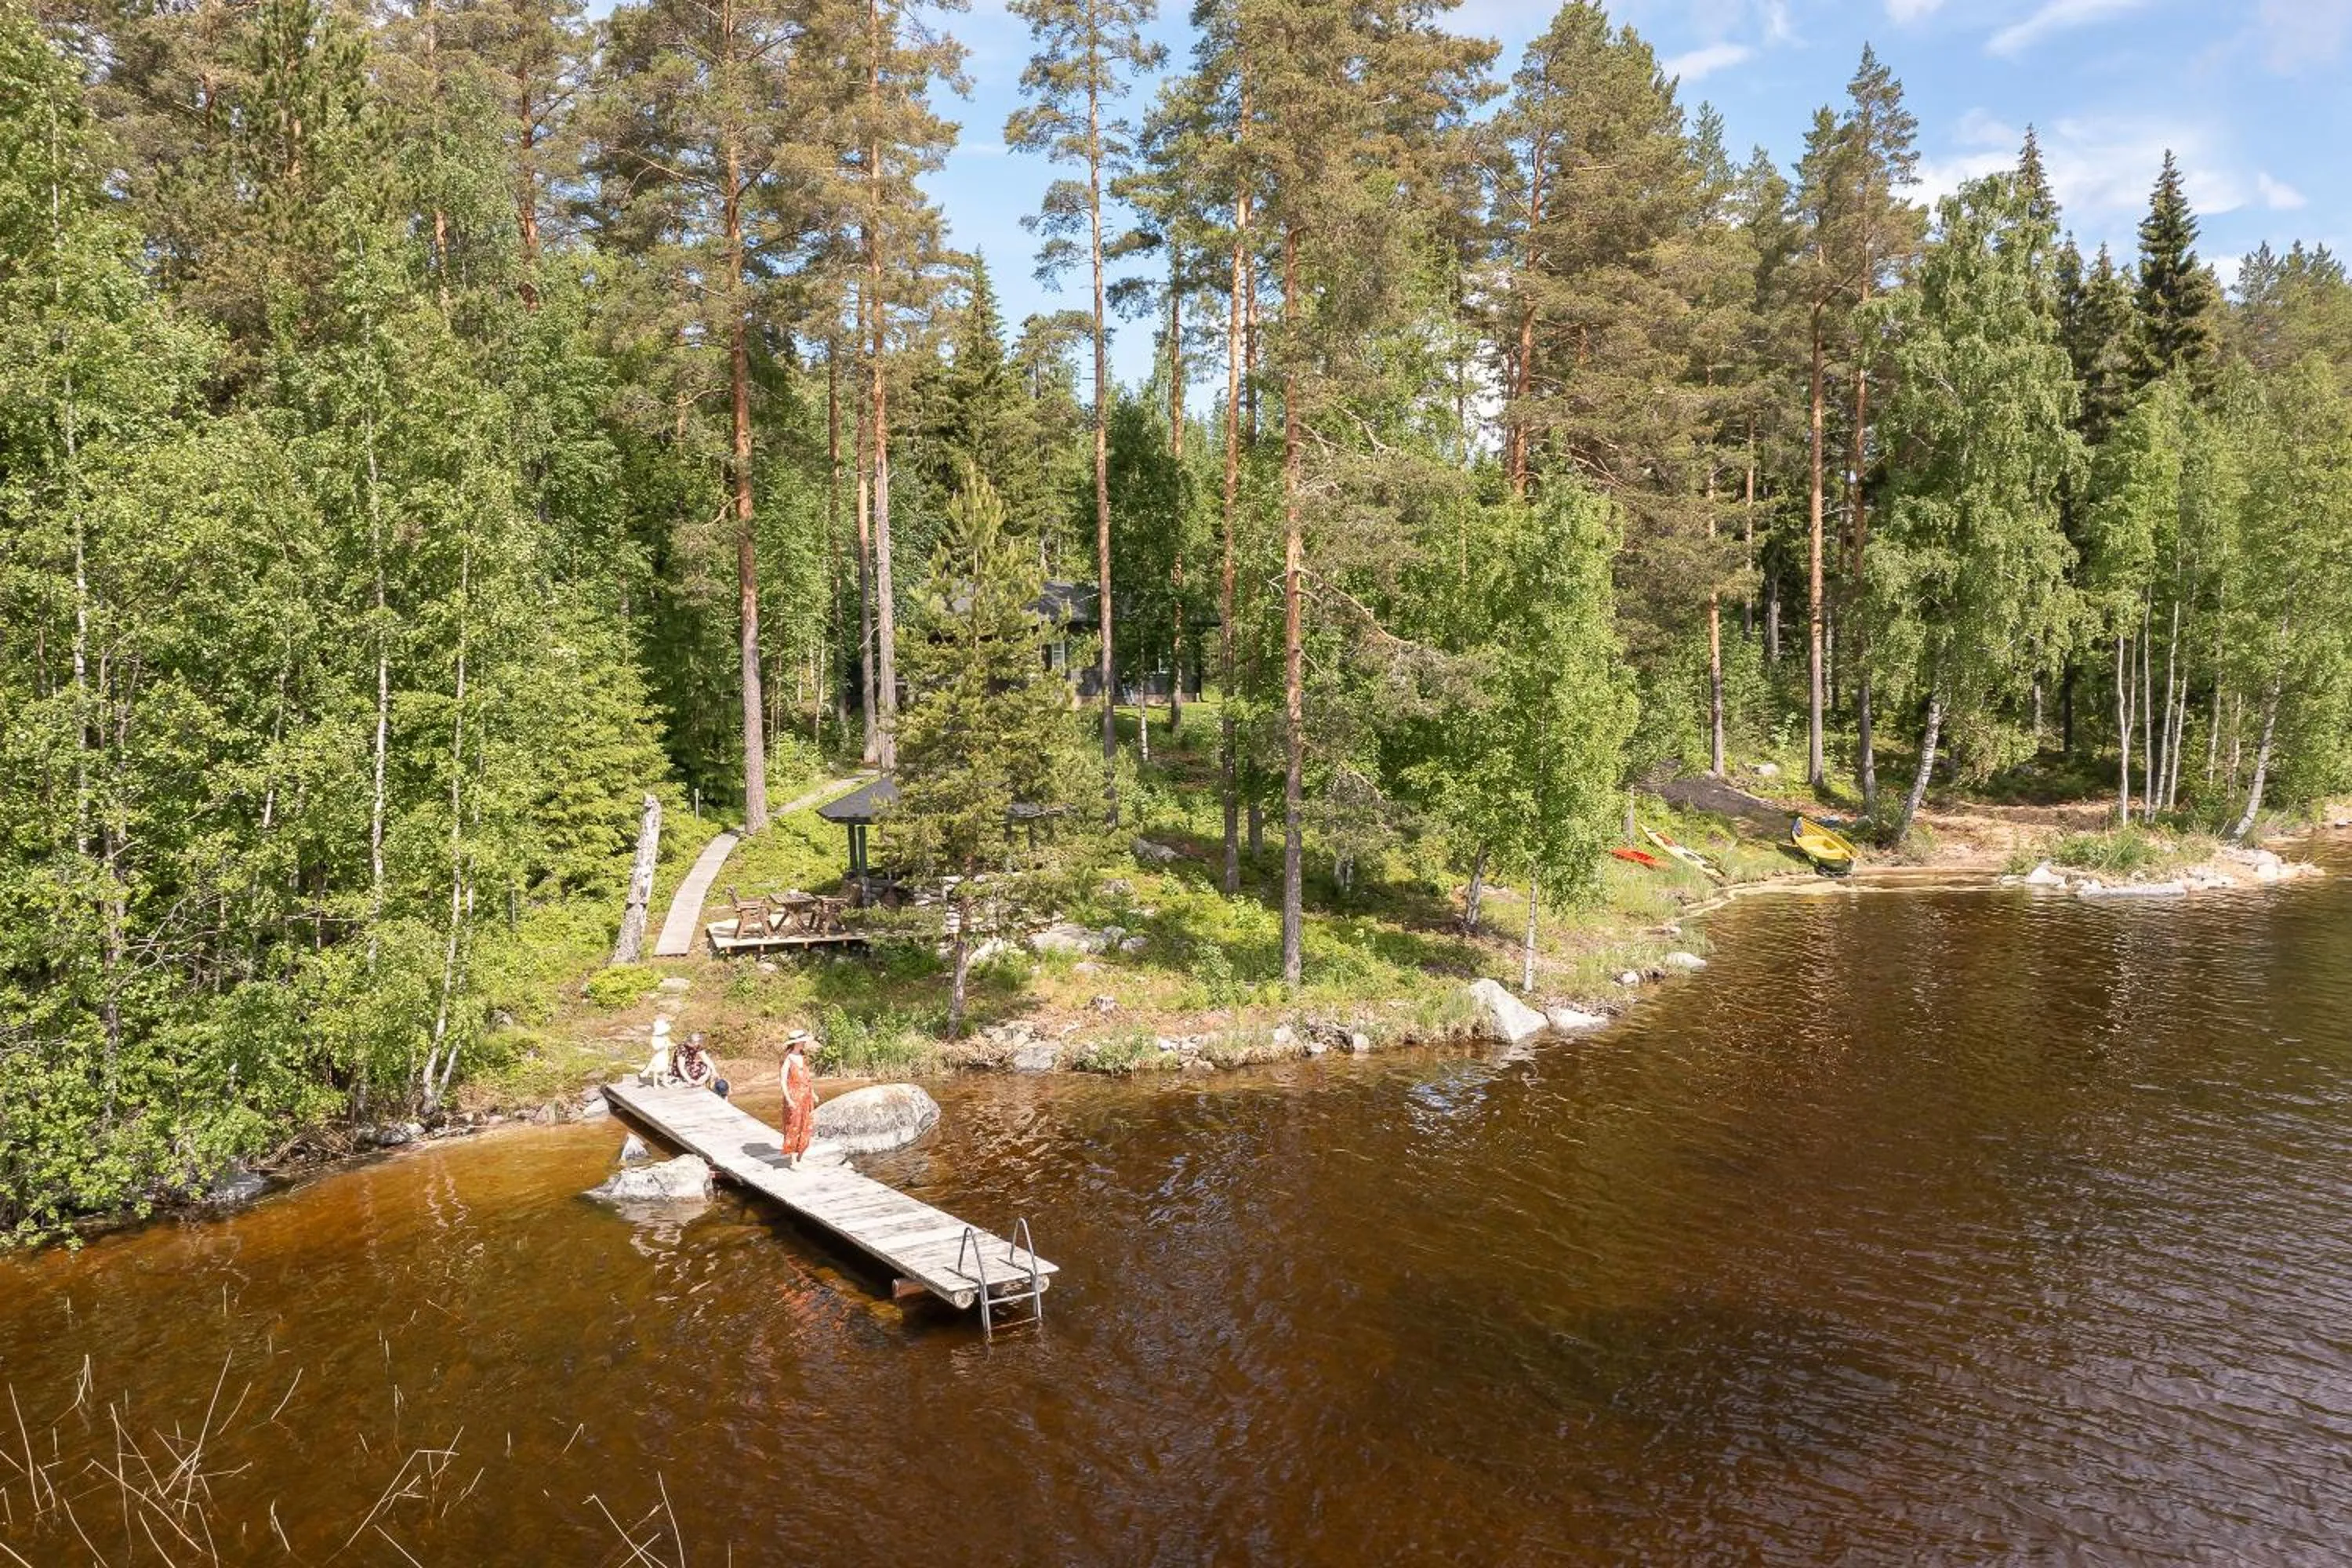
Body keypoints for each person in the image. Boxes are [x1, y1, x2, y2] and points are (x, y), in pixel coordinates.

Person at [779, 1031, 818, 1166]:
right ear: (796, 1043)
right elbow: (783, 1081)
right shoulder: (788, 1059)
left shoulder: (802, 1057)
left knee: (806, 1125)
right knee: (793, 1126)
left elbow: (807, 1079)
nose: (804, 1043)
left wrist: (813, 1093)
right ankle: (792, 1159)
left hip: (806, 1097)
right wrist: (788, 1099)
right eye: (802, 1041)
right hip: (794, 1097)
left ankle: (800, 1155)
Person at [678, 1032, 729, 1099]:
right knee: (700, 1071)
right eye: (696, 1043)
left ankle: (700, 1082)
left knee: (707, 1068)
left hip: (691, 1065)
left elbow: (706, 1059)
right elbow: (681, 1067)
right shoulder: (682, 1048)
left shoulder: (697, 1047)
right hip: (683, 1069)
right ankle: (696, 1082)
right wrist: (689, 1080)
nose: (697, 1044)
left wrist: (714, 1070)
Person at [637, 1017, 677, 1086]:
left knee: (665, 1069)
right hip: (659, 1055)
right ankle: (655, 1084)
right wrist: (663, 1046)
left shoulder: (665, 1037)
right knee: (657, 1070)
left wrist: (671, 1045)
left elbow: (668, 1043)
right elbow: (656, 1047)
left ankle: (665, 1082)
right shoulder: (655, 1038)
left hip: (665, 1055)